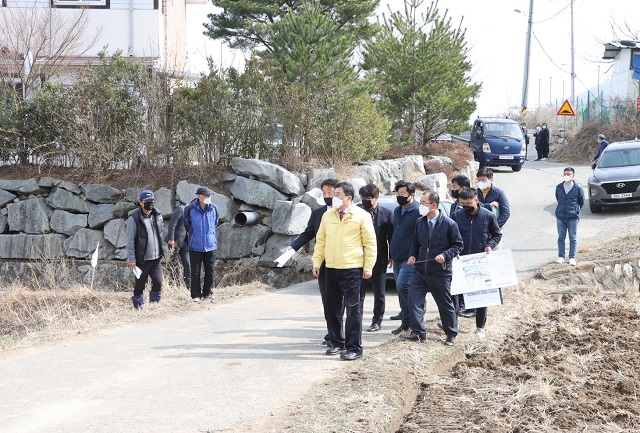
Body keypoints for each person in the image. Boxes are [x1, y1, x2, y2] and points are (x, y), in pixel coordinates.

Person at [312, 182, 377, 361]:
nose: (334, 197)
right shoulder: (327, 215)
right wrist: (317, 262)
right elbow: (321, 241)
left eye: (338, 194)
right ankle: (336, 342)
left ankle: (354, 347)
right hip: (330, 268)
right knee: (331, 308)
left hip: (352, 269)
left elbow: (370, 244)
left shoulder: (362, 216)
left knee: (353, 309)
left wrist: (368, 267)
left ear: (348, 197)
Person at [402, 191, 463, 346]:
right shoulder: (420, 222)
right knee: (414, 300)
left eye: (423, 203)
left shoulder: (450, 224)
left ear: (434, 205)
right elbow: (415, 242)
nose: (420, 206)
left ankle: (450, 334)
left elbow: (458, 245)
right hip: (420, 270)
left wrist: (445, 254)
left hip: (440, 272)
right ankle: (418, 332)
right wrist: (412, 255)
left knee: (444, 304)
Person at [285, 178, 339, 345]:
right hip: (323, 263)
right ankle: (332, 333)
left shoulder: (346, 213)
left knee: (341, 301)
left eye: (331, 193)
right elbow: (308, 234)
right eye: (324, 193)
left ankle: (338, 334)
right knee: (327, 300)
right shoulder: (318, 213)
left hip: (343, 263)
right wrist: (293, 247)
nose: (327, 196)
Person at [451, 188, 502, 337]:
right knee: (455, 295)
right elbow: (450, 236)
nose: (465, 206)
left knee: (480, 296)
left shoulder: (488, 216)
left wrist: (489, 245)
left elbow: (497, 234)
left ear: (476, 201)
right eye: (462, 203)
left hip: (479, 261)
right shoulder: (456, 216)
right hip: (460, 260)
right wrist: (454, 251)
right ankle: (452, 325)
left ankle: (480, 327)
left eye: (468, 203)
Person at [460, 168, 510, 319]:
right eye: (479, 179)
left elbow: (506, 212)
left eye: (483, 179)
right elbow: (476, 207)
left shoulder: (499, 193)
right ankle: (471, 304)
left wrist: (492, 226)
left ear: (490, 179)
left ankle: (491, 296)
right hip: (475, 231)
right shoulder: (475, 193)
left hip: (492, 234)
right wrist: (489, 205)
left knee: (491, 267)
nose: (480, 182)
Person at [358, 184, 394, 333]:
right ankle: (356, 320)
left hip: (379, 258)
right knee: (358, 293)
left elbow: (392, 236)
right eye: (363, 198)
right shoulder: (358, 213)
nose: (365, 201)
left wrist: (391, 255)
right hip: (359, 258)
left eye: (368, 198)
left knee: (379, 292)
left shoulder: (386, 213)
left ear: (376, 198)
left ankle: (377, 320)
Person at [388, 180, 420, 336]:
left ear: (411, 195)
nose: (399, 197)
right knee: (400, 292)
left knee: (403, 286)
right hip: (397, 257)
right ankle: (405, 323)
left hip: (410, 258)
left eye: (402, 194)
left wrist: (414, 254)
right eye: (397, 194)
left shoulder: (418, 211)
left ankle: (416, 319)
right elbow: (395, 233)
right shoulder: (397, 210)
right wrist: (391, 254)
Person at [126, 189, 164, 309]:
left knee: (158, 282)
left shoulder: (157, 215)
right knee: (139, 285)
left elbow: (160, 234)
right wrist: (132, 259)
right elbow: (130, 240)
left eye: (152, 200)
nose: (150, 203)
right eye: (147, 201)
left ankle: (154, 307)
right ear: (141, 202)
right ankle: (139, 308)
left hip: (156, 258)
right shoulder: (134, 218)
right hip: (141, 259)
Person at [184, 186, 219, 301]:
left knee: (210, 270)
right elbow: (187, 224)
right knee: (195, 271)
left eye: (210, 196)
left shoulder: (214, 208)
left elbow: (216, 222)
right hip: (195, 245)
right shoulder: (190, 209)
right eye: (207, 196)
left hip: (210, 245)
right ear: (200, 197)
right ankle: (196, 295)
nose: (209, 198)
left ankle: (208, 293)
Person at [448, 174, 471, 314]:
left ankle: (469, 307)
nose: (453, 190)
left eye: (455, 187)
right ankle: (458, 308)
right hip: (456, 249)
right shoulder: (453, 206)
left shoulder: (474, 208)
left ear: (463, 188)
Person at [555, 167, 585, 266]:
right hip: (561, 217)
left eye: (569, 174)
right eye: (565, 174)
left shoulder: (578, 188)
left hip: (573, 217)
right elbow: (558, 199)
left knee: (573, 238)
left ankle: (572, 257)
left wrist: (576, 212)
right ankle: (561, 256)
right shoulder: (559, 187)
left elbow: (581, 202)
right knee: (561, 237)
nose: (567, 176)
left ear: (573, 176)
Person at [165, 204, 190, 290]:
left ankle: (188, 287)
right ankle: (176, 286)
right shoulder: (180, 210)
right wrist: (171, 239)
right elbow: (172, 224)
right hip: (175, 241)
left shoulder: (192, 212)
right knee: (174, 264)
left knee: (188, 264)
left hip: (185, 242)